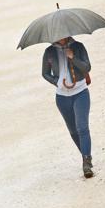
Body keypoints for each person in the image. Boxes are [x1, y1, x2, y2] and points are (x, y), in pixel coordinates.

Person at [42, 36, 94, 178]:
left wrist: (73, 57)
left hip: (80, 92)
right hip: (62, 98)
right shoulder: (49, 51)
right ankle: (85, 154)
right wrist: (56, 81)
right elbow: (44, 73)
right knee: (73, 131)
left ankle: (86, 162)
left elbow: (87, 67)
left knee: (82, 127)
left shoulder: (78, 47)